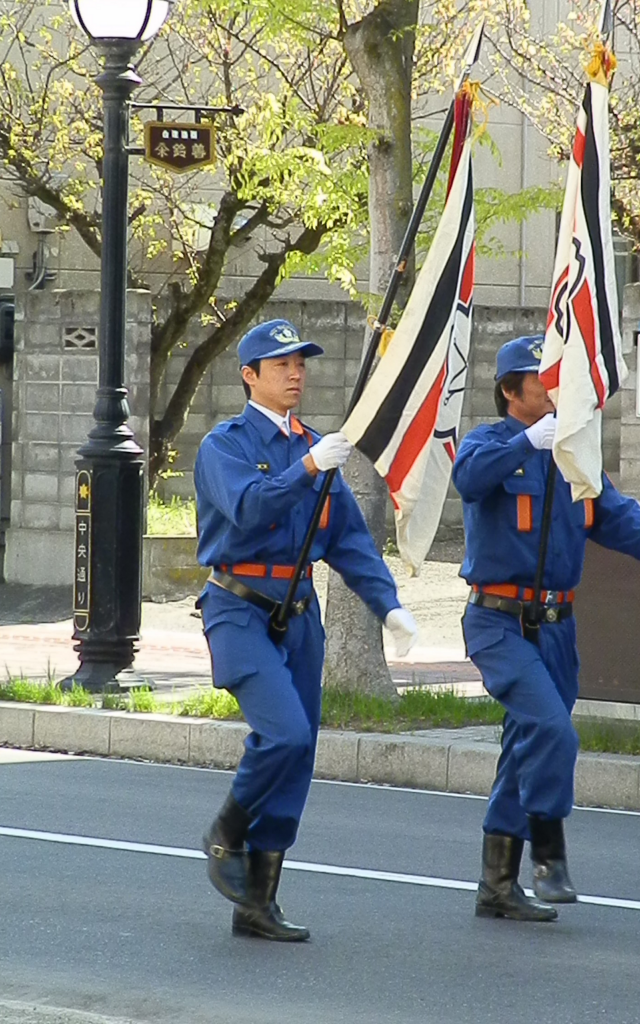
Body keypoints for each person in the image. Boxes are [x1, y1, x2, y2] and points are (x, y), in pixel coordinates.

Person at [194, 318, 418, 942]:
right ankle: (226, 832)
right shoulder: (225, 444)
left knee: (299, 758)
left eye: (301, 364)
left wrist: (389, 606)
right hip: (239, 607)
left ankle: (257, 902)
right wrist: (307, 469)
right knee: (284, 733)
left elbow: (347, 540)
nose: (296, 373)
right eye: (281, 364)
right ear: (250, 374)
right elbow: (249, 506)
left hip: (298, 615)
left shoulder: (316, 447)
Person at [452, 334, 640, 922]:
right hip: (498, 621)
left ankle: (496, 885)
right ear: (512, 391)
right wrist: (527, 443)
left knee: (525, 743)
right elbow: (469, 478)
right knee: (553, 731)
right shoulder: (491, 442)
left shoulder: (573, 453)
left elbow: (613, 512)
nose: (557, 389)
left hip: (556, 627)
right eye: (543, 380)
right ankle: (548, 853)